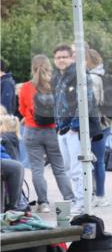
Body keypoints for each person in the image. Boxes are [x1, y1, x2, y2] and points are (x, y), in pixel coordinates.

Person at [18, 55, 75, 213]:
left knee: (37, 169)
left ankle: (43, 203)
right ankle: (69, 198)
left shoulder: (26, 87)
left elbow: (21, 109)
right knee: (59, 168)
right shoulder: (56, 85)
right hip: (51, 131)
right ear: (49, 66)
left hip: (31, 131)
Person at [53, 44, 98, 212]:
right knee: (68, 166)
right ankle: (81, 198)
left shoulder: (80, 75)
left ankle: (82, 200)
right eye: (58, 57)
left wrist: (75, 126)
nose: (61, 60)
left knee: (77, 167)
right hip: (62, 127)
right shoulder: (58, 77)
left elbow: (86, 101)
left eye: (64, 57)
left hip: (75, 129)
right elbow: (57, 102)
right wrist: (58, 125)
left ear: (71, 57)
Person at [85, 49, 110, 207]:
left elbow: (92, 102)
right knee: (98, 160)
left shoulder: (93, 78)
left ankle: (99, 194)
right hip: (104, 122)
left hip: (95, 123)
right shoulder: (103, 75)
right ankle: (98, 193)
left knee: (96, 161)